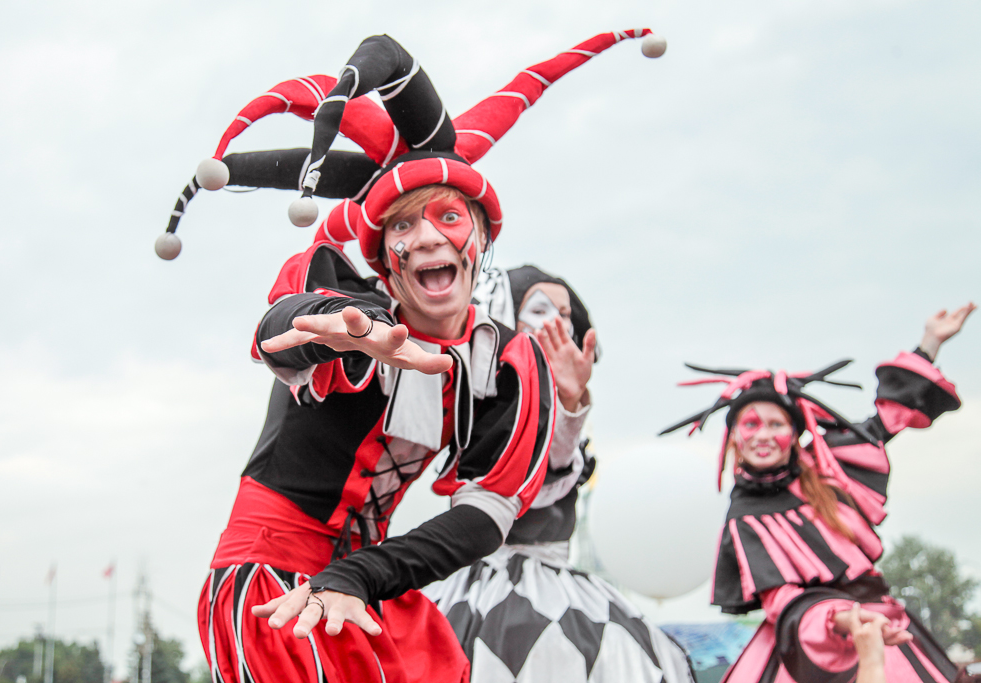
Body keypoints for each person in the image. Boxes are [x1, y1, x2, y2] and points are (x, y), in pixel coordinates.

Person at [163, 29, 667, 683]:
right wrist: (330, 330)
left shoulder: (504, 363)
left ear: (480, 238)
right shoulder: (354, 306)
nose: (427, 235)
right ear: (385, 261)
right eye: (402, 225)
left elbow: (484, 516)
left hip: (369, 583)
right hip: (274, 579)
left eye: (447, 216)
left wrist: (358, 574)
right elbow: (286, 326)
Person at [660, 303, 975, 683]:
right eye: (751, 424)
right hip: (808, 645)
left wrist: (930, 342)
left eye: (776, 423)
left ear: (794, 434)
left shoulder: (829, 467)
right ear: (735, 438)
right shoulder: (744, 514)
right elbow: (782, 600)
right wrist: (845, 619)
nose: (763, 435)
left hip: (883, 628)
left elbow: (887, 418)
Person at [423, 265, 696, 682]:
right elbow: (529, 476)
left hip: (553, 585)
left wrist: (568, 404)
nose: (558, 322)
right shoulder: (477, 404)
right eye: (540, 309)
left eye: (567, 313)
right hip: (481, 587)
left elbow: (554, 464)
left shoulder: (561, 403)